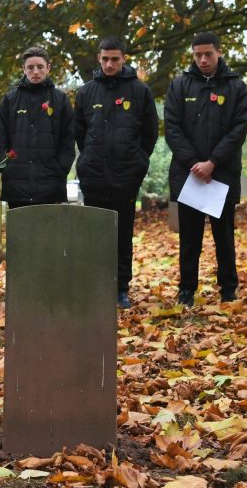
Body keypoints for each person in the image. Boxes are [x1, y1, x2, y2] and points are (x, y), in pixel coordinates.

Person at [164, 33, 247, 307]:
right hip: (188, 175)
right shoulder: (179, 86)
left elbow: (238, 129)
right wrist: (195, 164)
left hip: (221, 175)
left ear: (219, 53)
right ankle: (187, 290)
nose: (203, 60)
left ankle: (228, 290)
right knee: (190, 239)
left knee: (224, 236)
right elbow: (172, 128)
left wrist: (213, 162)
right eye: (198, 55)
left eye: (208, 54)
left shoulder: (235, 86)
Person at [74, 36, 158, 309]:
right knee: (95, 234)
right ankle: (97, 286)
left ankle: (121, 287)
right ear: (99, 58)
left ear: (124, 59)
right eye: (105, 59)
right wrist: (87, 161)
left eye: (115, 59)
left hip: (126, 175)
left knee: (122, 233)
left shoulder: (139, 91)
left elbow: (150, 133)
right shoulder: (86, 92)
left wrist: (138, 163)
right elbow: (79, 133)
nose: (110, 64)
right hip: (94, 175)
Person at [0, 46, 75, 208]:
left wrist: (61, 169)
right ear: (23, 69)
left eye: (40, 67)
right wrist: (7, 168)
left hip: (51, 183)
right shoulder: (10, 100)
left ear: (48, 68)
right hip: (17, 184)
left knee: (48, 232)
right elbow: (0, 138)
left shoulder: (60, 100)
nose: (35, 72)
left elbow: (68, 139)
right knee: (20, 233)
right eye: (30, 67)